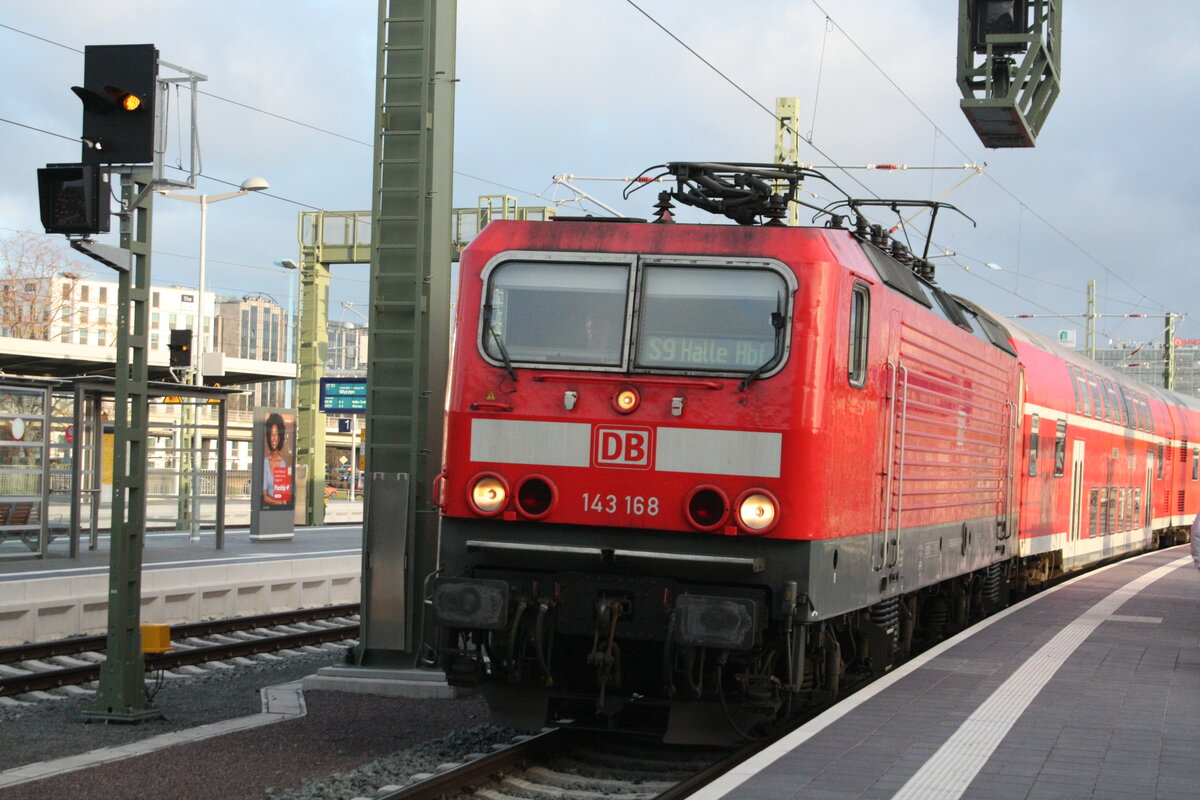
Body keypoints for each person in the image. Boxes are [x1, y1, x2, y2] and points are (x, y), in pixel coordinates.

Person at [262, 413, 293, 507]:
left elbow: (285, 495)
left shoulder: (283, 464)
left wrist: (282, 504)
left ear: (280, 437)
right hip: (268, 509)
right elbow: (264, 496)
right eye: (271, 434)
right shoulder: (264, 463)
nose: (274, 438)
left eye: (276, 434)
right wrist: (279, 503)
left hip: (280, 510)